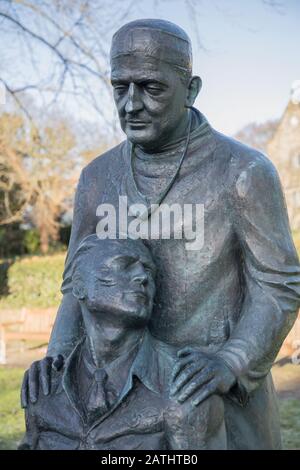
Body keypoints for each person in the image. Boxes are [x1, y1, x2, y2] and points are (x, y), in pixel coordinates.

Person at [22, 19, 300, 449]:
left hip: (213, 395)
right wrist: (58, 358)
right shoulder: (97, 178)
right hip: (121, 406)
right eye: (120, 87)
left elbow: (278, 284)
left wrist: (232, 360)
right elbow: (75, 286)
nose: (131, 103)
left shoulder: (242, 172)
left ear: (190, 89)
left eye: (151, 88)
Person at [20, 236, 226, 450]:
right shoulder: (44, 387)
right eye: (123, 265)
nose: (142, 276)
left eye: (149, 270)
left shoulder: (183, 388)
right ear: (80, 286)